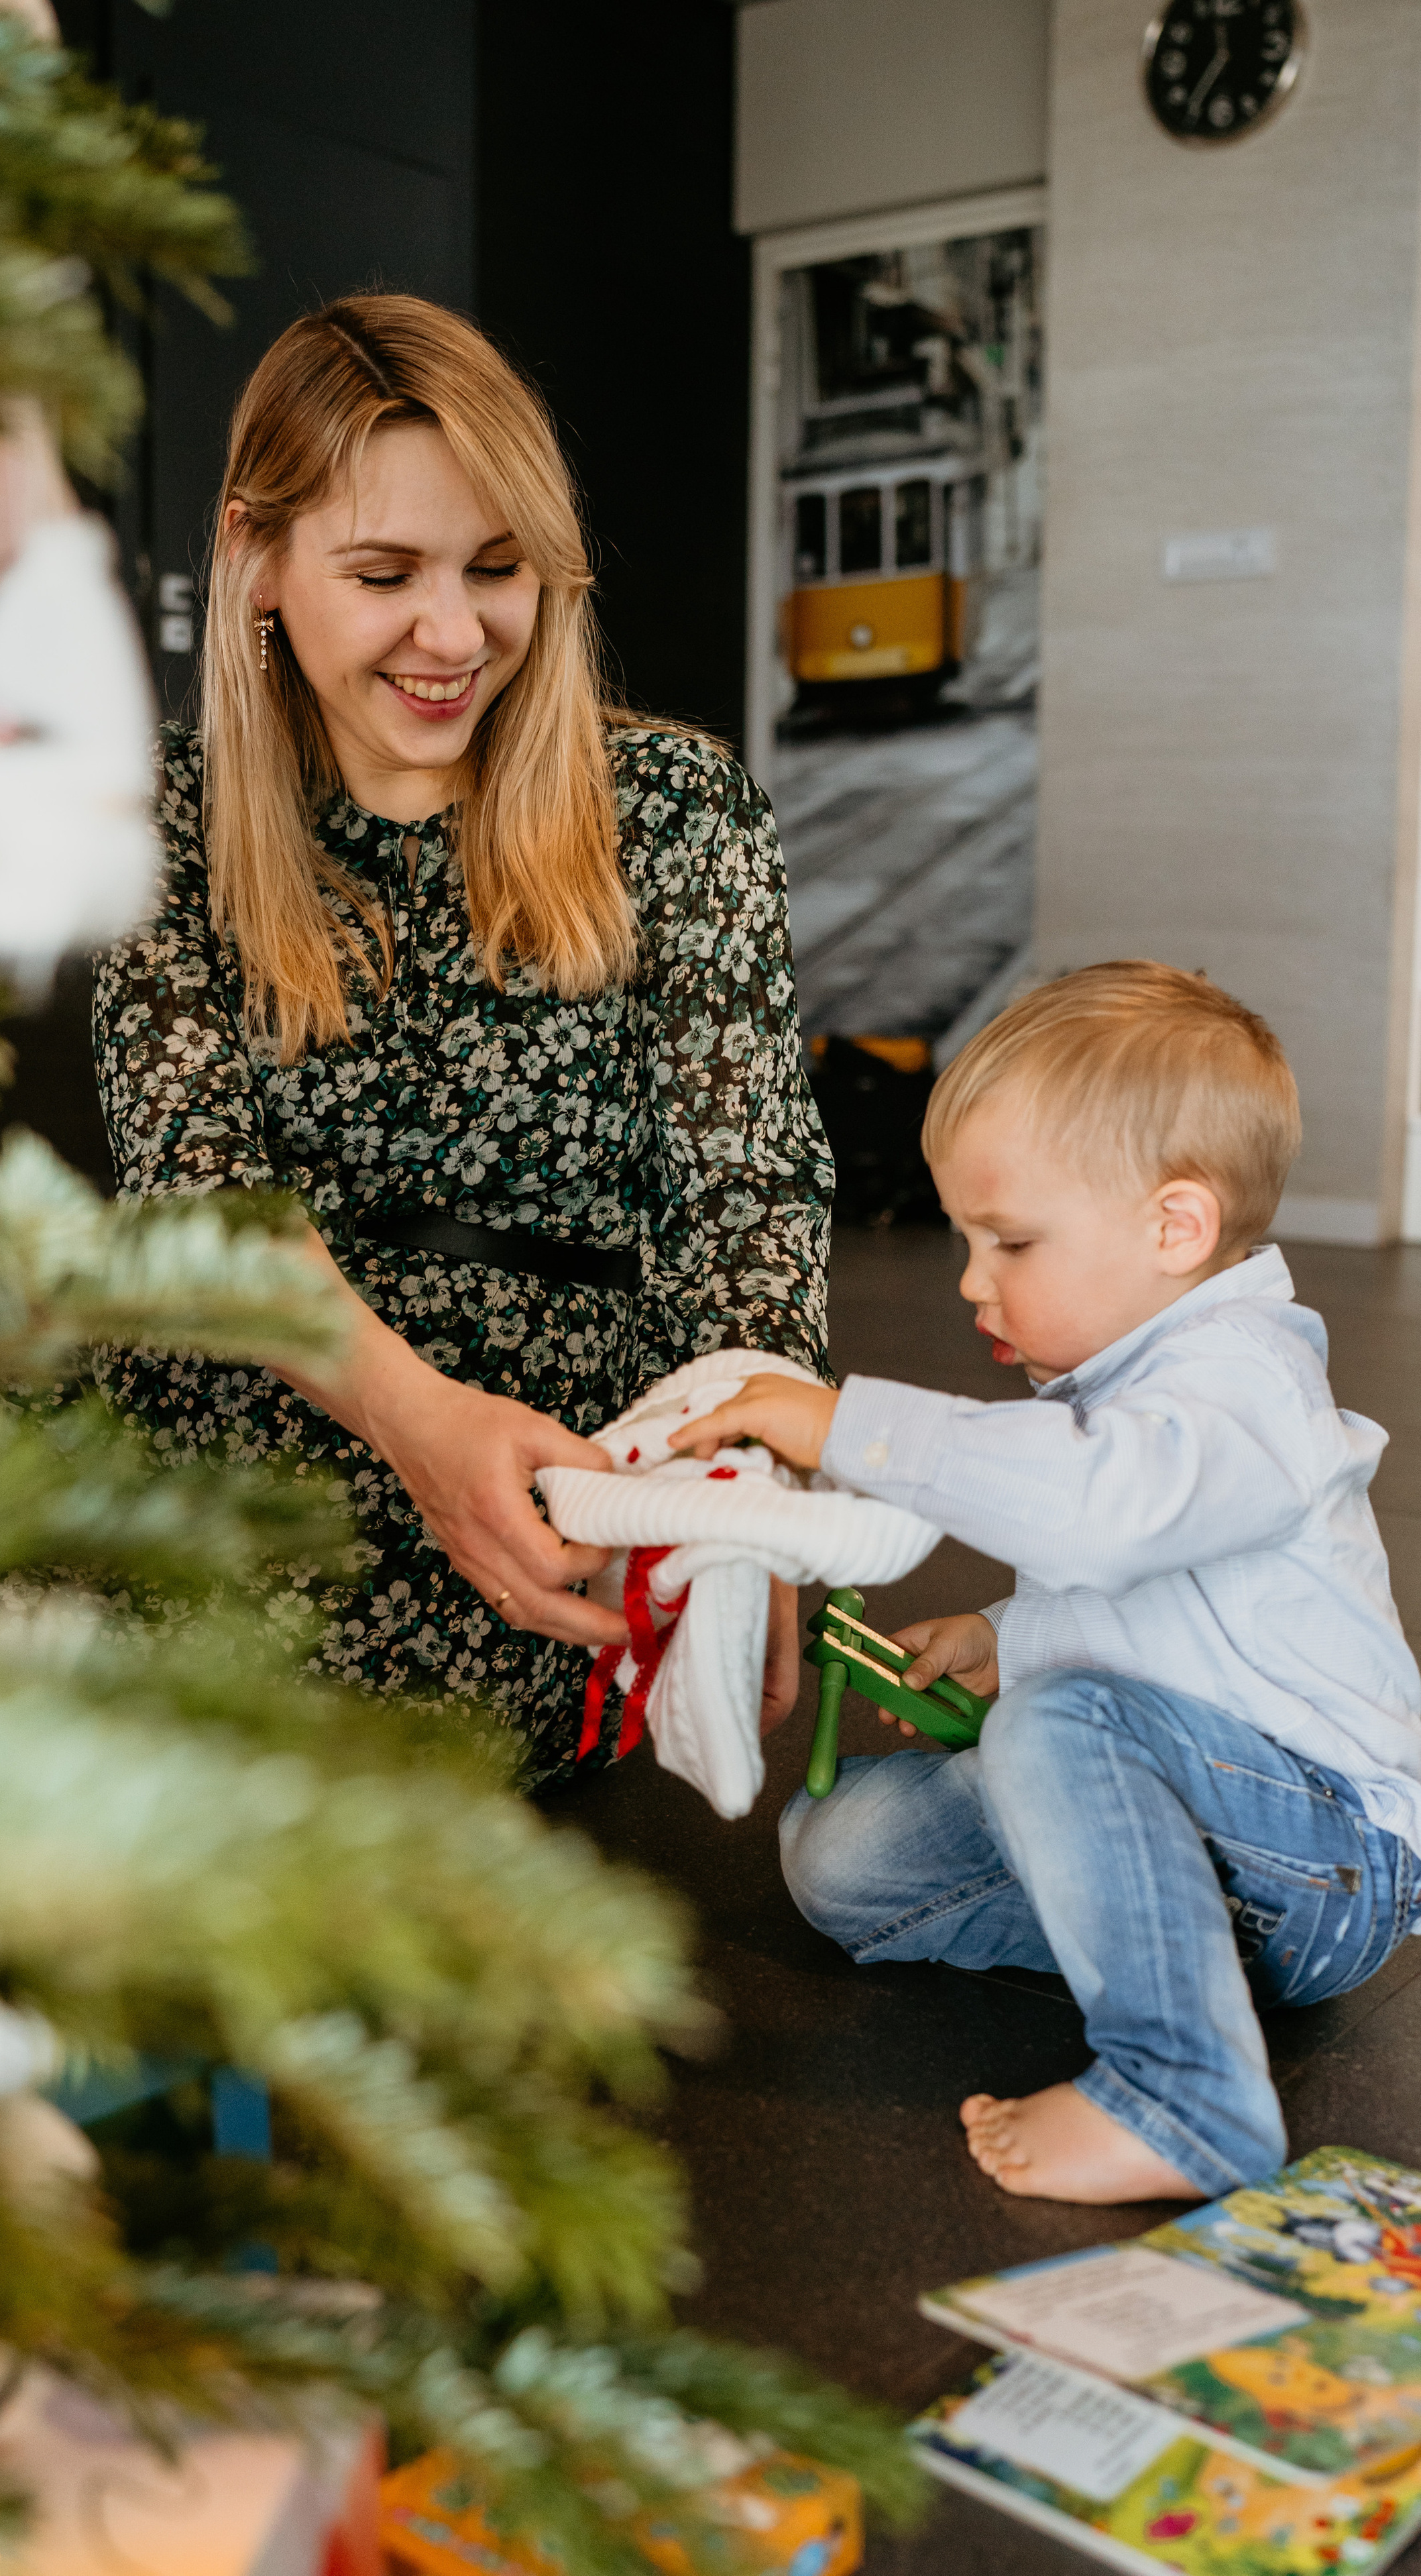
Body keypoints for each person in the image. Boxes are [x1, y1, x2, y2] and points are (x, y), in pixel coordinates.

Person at [93, 294, 833, 1780]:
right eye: (384, 573)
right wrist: (410, 1421)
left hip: (562, 1463)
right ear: (255, 556)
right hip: (252, 1397)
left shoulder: (675, 814)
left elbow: (743, 1196)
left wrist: (739, 1494)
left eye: (496, 570)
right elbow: (198, 1190)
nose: (454, 634)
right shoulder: (156, 818)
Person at [669, 961, 1421, 2205]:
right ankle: (1165, 1948)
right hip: (1222, 1839)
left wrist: (850, 1426)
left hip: (1331, 1858)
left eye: (1010, 1241)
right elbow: (1166, 1612)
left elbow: (1101, 1512)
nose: (972, 1279)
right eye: (967, 1239)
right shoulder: (1136, 1382)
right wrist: (1003, 1638)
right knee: (839, 1858)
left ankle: (1184, 2092)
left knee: (1058, 1723)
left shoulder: (1244, 1384)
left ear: (1175, 1228)